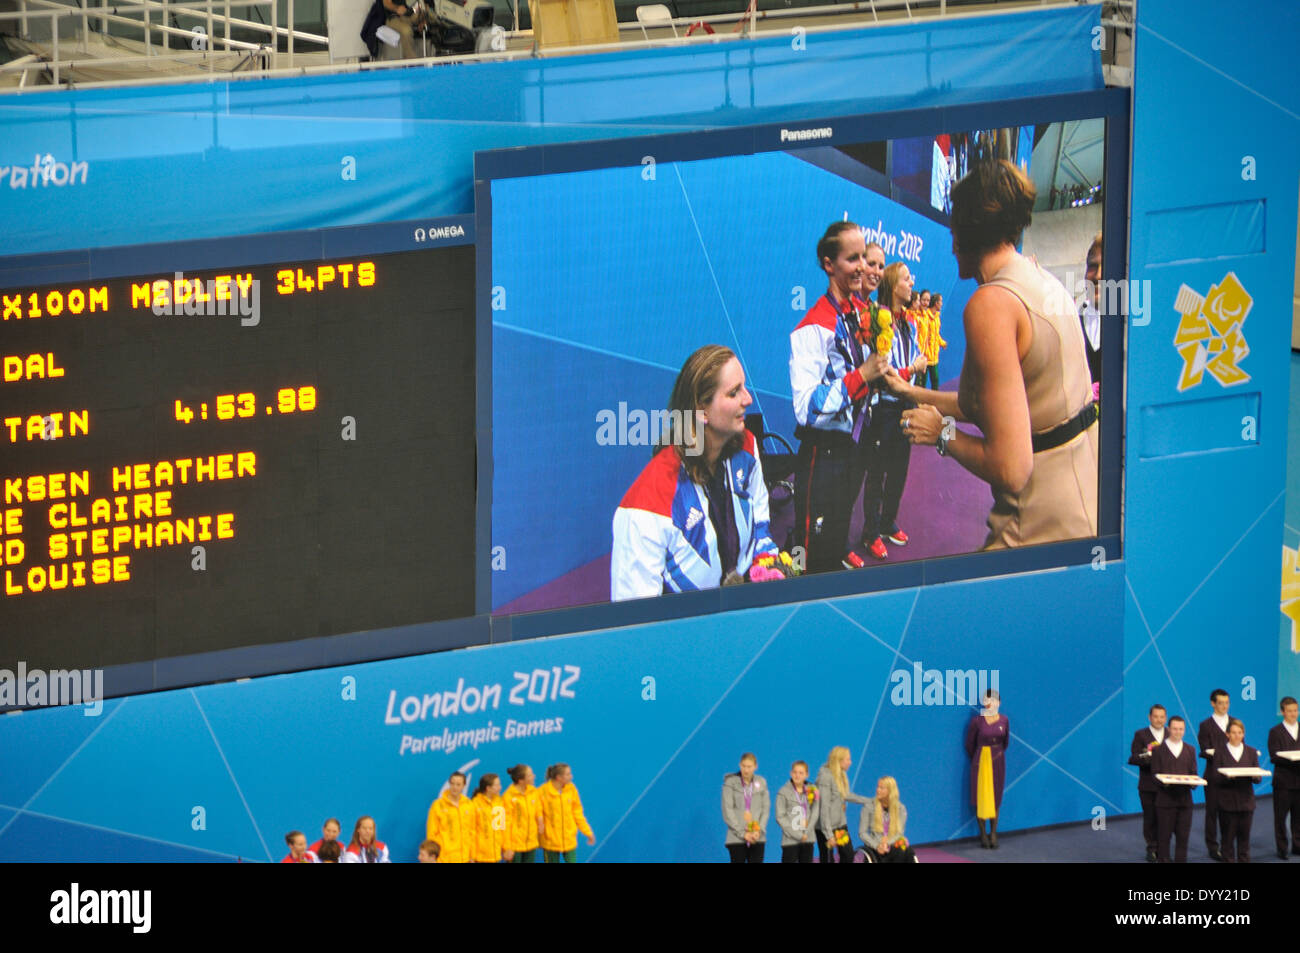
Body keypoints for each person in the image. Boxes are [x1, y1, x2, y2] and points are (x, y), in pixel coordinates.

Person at [889, 160, 1098, 550]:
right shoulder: (1043, 281)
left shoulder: (990, 305)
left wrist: (941, 434)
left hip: (1037, 522)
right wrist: (915, 394)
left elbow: (1011, 468)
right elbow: (995, 407)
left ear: (970, 230)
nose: (951, 245)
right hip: (1084, 497)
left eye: (954, 231)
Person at [611, 345, 780, 600]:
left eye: (743, 387)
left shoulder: (747, 446)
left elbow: (759, 514)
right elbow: (634, 621)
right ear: (701, 411)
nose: (748, 399)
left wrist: (765, 561)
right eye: (734, 393)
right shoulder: (646, 506)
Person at [789, 223, 889, 573]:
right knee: (810, 550)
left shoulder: (857, 316)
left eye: (864, 256)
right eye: (853, 259)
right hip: (823, 454)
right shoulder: (813, 326)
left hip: (854, 447)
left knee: (833, 541)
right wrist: (861, 377)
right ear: (829, 264)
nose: (862, 266)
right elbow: (805, 408)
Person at [860, 261, 927, 560]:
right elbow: (883, 371)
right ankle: (870, 532)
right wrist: (912, 368)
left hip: (905, 405)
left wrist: (912, 371)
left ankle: (888, 522)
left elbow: (910, 364)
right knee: (877, 473)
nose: (911, 283)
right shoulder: (876, 320)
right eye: (906, 279)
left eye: (911, 279)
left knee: (900, 470)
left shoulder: (909, 323)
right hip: (883, 411)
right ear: (892, 284)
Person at [1210, 718, 1261, 863]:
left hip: (1246, 803)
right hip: (1227, 804)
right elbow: (1215, 777)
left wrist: (1254, 776)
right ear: (1227, 734)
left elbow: (1258, 778)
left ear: (1243, 734)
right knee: (1227, 841)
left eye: (1240, 732)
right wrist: (1229, 776)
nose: (1237, 735)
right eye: (1233, 732)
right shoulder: (1219, 752)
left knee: (1244, 841)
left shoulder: (1251, 752)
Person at [1151, 716, 1199, 863]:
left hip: (1185, 803)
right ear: (1169, 729)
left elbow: (1194, 774)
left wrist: (1193, 783)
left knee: (1183, 839)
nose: (1178, 732)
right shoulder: (1158, 750)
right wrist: (1165, 783)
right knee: (1164, 838)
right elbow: (1154, 775)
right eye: (1175, 728)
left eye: (1181, 729)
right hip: (1165, 802)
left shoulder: (1190, 750)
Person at [965, 689, 1009, 848]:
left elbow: (1006, 743)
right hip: (980, 761)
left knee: (996, 797)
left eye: (992, 700)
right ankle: (983, 833)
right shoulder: (977, 721)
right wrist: (978, 757)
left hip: (998, 761)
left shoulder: (1004, 720)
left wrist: (996, 754)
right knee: (981, 797)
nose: (989, 703)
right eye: (986, 700)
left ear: (999, 703)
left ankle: (994, 833)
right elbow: (969, 744)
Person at [814, 746, 868, 863]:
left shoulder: (841, 774)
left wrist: (868, 801)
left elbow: (846, 795)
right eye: (847, 759)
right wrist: (829, 835)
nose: (850, 762)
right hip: (824, 828)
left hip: (840, 825)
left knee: (848, 855)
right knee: (828, 859)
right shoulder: (825, 778)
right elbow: (823, 808)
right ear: (838, 760)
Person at [1128, 703, 1167, 862]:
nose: (1159, 720)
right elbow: (1134, 757)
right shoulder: (1141, 735)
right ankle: (1151, 848)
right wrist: (1150, 759)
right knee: (1150, 818)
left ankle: (1163, 848)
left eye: (1162, 717)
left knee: (1165, 818)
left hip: (1167, 786)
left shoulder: (1172, 733)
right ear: (1149, 717)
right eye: (1155, 716)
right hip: (1148, 785)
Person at [1198, 688, 1231, 862]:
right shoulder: (1205, 725)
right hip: (1213, 776)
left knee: (1230, 813)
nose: (1224, 706)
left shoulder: (1235, 723)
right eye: (1221, 703)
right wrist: (1219, 754)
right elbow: (1203, 750)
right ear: (1213, 704)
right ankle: (1213, 847)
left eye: (1227, 703)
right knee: (1212, 813)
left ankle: (1227, 845)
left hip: (1232, 778)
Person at [538, 763, 595, 863]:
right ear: (559, 777)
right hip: (550, 842)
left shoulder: (572, 789)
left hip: (569, 840)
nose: (571, 776)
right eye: (568, 774)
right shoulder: (542, 792)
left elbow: (578, 814)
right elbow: (535, 815)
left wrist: (588, 832)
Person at [721, 752, 769, 863]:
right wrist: (743, 834)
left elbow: (765, 809)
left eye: (749, 767)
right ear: (739, 765)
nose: (746, 770)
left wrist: (759, 830)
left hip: (757, 837)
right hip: (736, 838)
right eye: (743, 766)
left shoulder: (761, 782)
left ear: (755, 767)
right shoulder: (730, 783)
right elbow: (727, 810)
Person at [1268, 696, 1300, 859]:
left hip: (1299, 781)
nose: (1293, 714)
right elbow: (1273, 756)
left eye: (1295, 710)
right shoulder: (1275, 732)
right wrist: (1291, 757)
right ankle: (1282, 848)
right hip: (1283, 783)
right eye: (1290, 711)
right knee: (1280, 818)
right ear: (1282, 712)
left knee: (1298, 817)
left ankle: (1297, 845)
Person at [858, 776, 916, 862]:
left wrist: (887, 843)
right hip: (875, 845)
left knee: (907, 851)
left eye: (882, 788)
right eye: (878, 787)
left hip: (892, 843)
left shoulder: (900, 808)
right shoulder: (869, 807)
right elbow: (862, 833)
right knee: (898, 852)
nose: (878, 790)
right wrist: (877, 846)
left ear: (890, 791)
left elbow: (899, 832)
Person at [426, 771, 477, 863]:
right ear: (449, 784)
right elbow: (432, 834)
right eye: (452, 784)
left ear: (464, 786)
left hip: (465, 858)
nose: (455, 787)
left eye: (458, 784)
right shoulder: (437, 805)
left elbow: (472, 832)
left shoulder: (469, 805)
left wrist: (472, 856)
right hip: (444, 858)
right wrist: (437, 857)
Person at [774, 761, 819, 863]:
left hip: (808, 838)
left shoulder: (813, 790)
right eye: (795, 772)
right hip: (790, 840)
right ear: (791, 773)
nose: (797, 775)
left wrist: (806, 832)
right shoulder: (783, 792)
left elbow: (815, 812)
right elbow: (780, 817)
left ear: (806, 774)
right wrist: (798, 835)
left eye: (801, 773)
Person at [502, 763, 544, 863]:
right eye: (530, 775)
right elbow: (504, 825)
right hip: (514, 846)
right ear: (521, 781)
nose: (534, 776)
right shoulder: (507, 797)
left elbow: (538, 808)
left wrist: (540, 820)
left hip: (531, 843)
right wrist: (506, 847)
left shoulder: (533, 791)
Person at [360, 0, 427, 60]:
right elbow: (386, 3)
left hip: (408, 14)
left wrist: (423, 20)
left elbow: (417, 6)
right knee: (406, 31)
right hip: (393, 18)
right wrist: (396, 8)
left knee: (429, 13)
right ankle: (412, 61)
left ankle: (437, 50)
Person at [1078, 232, 1103, 395]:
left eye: (1107, 265)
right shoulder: (1072, 323)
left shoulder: (1136, 329)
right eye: (1093, 267)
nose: (1098, 276)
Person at [471, 773, 506, 864]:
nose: (500, 787)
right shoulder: (475, 804)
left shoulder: (499, 802)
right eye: (497, 785)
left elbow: (501, 828)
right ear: (488, 788)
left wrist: (505, 848)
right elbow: (471, 832)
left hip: (496, 855)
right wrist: (472, 855)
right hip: (480, 857)